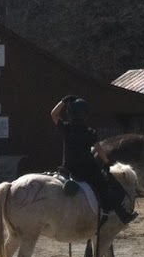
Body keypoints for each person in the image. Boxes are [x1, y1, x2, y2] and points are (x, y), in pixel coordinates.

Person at [50, 95, 137, 225]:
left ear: (70, 113)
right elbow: (99, 150)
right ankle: (121, 214)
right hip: (87, 169)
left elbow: (54, 114)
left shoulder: (66, 128)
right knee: (106, 187)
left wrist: (64, 101)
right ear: (85, 114)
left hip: (67, 168)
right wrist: (107, 162)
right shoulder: (90, 132)